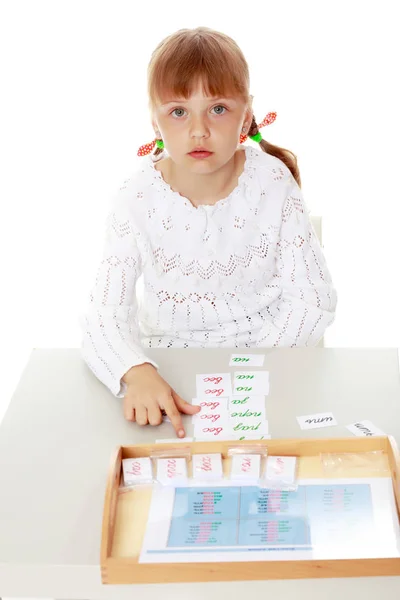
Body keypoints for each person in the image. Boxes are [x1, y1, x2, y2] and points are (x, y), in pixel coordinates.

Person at [80, 26, 337, 438]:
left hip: (270, 365)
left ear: (246, 114)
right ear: (155, 120)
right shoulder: (136, 198)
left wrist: (247, 370)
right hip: (171, 374)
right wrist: (136, 371)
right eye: (178, 112)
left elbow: (312, 299)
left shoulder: (273, 182)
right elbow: (105, 315)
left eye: (217, 108)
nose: (198, 130)